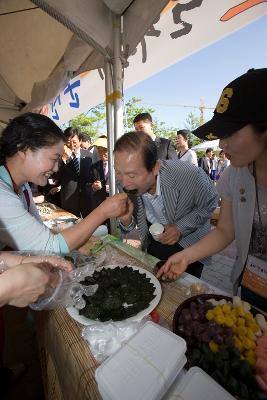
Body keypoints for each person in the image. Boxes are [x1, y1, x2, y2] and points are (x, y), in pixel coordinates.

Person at [157, 68, 267, 312]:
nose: (221, 144)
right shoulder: (234, 174)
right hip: (250, 285)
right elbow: (226, 230)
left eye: (231, 133)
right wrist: (186, 256)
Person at [0, 113, 128, 254]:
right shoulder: (2, 194)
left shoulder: (23, 186)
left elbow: (37, 227)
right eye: (54, 159)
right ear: (24, 149)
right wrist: (103, 211)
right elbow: (49, 247)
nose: (56, 168)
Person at [114, 131, 218, 278]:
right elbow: (132, 229)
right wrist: (126, 221)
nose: (124, 183)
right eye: (118, 172)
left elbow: (210, 203)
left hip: (189, 243)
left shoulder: (189, 175)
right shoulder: (124, 181)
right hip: (153, 237)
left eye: (132, 175)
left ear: (155, 168)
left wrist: (180, 228)